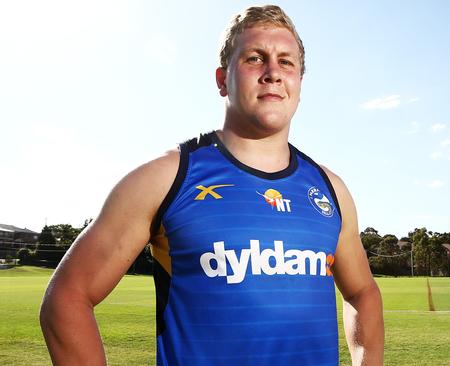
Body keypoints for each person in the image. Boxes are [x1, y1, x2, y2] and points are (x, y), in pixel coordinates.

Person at [40, 4, 384, 366]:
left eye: (286, 61)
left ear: (299, 80)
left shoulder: (330, 190)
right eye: (255, 58)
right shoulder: (166, 179)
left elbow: (363, 292)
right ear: (222, 79)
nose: (273, 73)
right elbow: (66, 297)